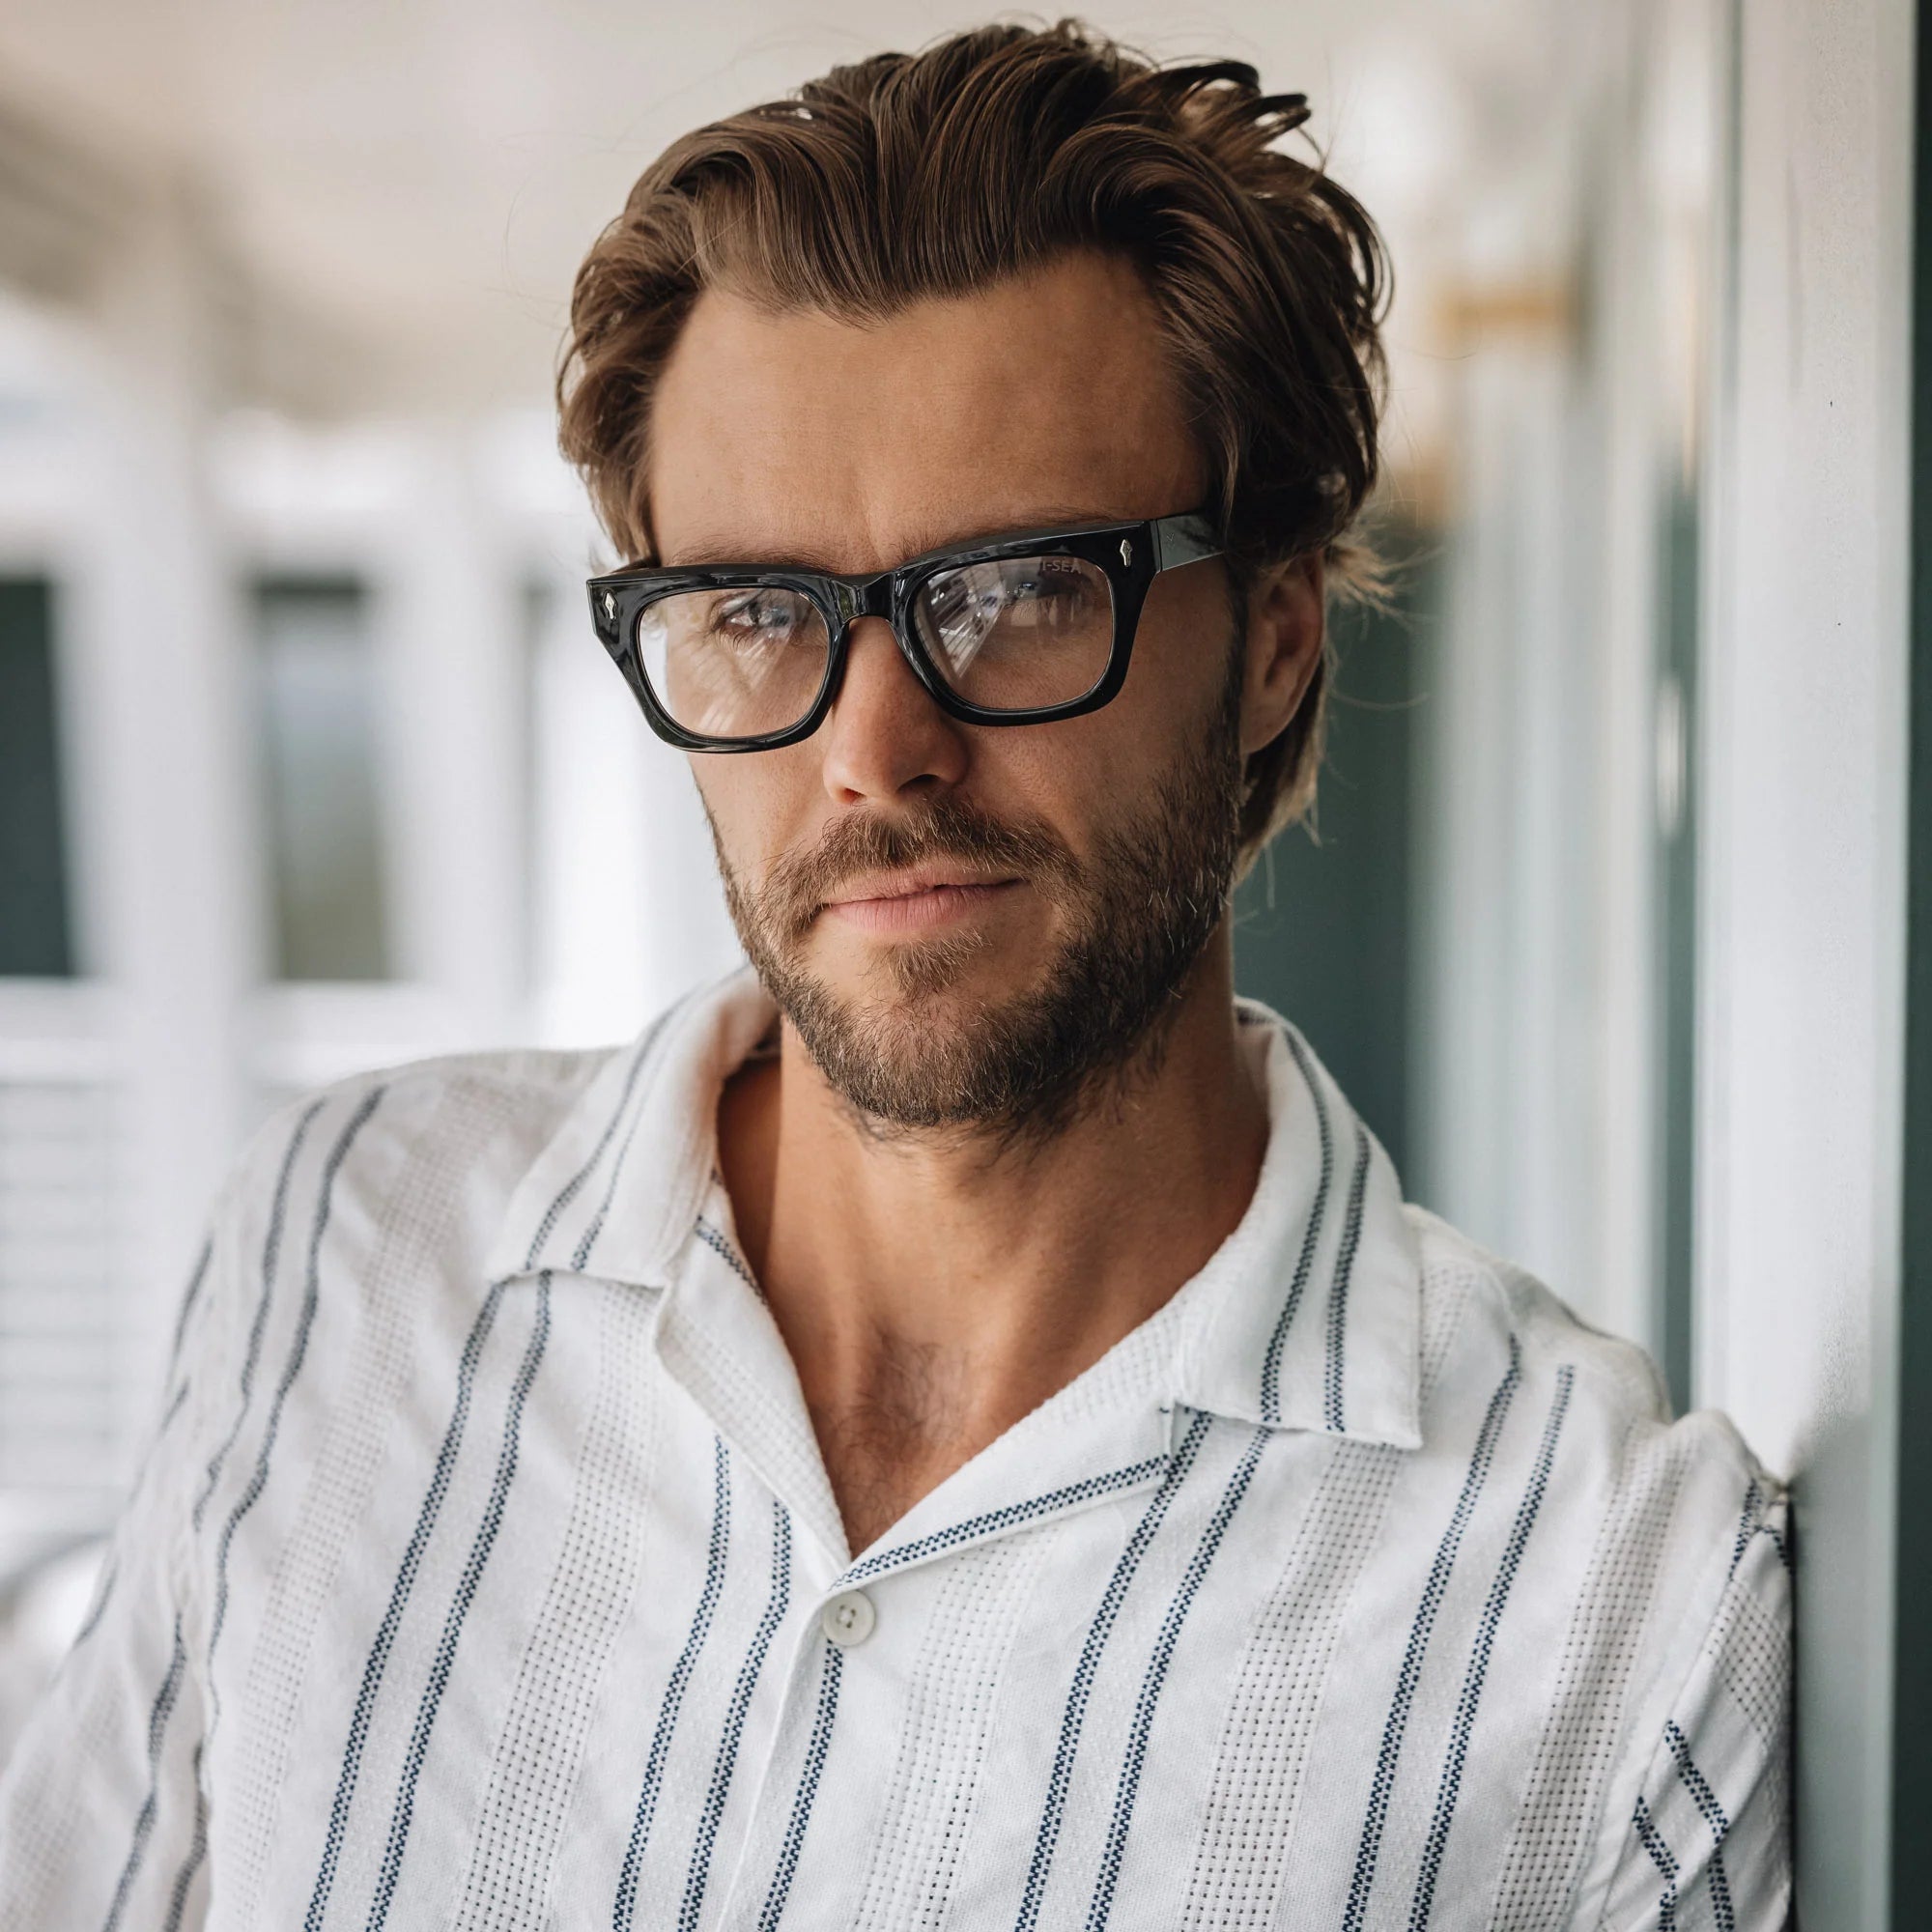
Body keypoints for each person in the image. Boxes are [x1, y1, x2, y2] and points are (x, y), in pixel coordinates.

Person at [0, 21, 1789, 1929]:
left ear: (1269, 641)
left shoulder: (1623, 1612)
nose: (872, 750)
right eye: (757, 614)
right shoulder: (334, 1256)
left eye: (1016, 593)